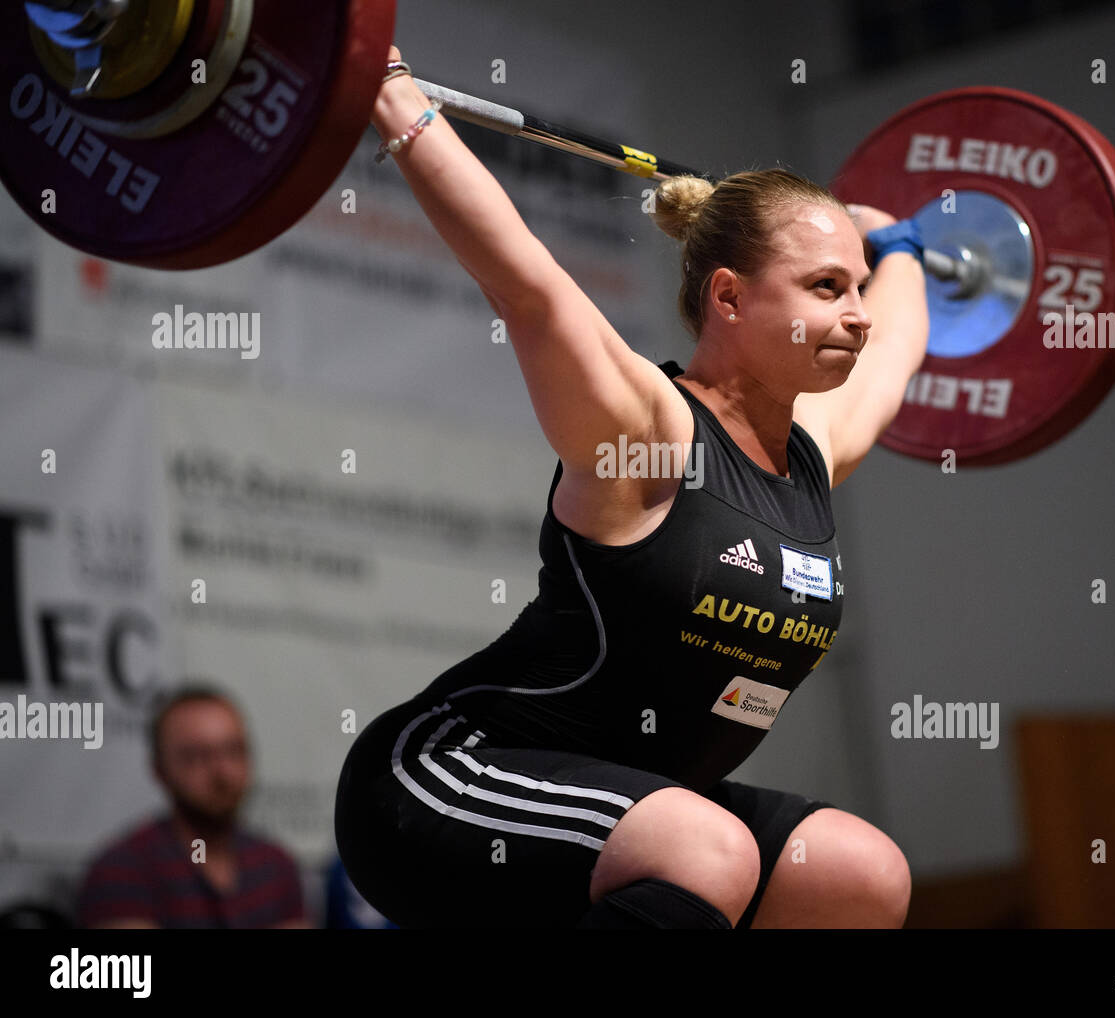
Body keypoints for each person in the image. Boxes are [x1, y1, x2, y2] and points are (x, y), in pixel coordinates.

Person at [334, 47, 929, 930]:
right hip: (446, 780)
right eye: (825, 286)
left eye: (856, 286)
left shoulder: (808, 448)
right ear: (728, 299)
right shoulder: (650, 434)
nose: (858, 312)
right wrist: (385, 92)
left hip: (637, 806)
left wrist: (908, 248)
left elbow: (895, 353)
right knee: (705, 850)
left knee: (861, 874)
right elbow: (526, 286)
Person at [76, 685, 310, 929]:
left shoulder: (275, 866)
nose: (222, 772)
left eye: (234, 751)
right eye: (198, 756)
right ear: (159, 770)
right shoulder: (122, 871)